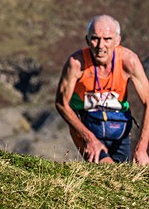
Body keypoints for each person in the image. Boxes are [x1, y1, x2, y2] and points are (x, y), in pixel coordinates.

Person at [55, 15, 149, 164]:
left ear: (117, 41)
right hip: (87, 126)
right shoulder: (76, 63)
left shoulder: (129, 61)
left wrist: (142, 148)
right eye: (95, 39)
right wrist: (89, 138)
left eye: (107, 39)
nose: (100, 45)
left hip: (120, 129)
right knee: (109, 170)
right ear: (87, 40)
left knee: (123, 178)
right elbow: (61, 103)